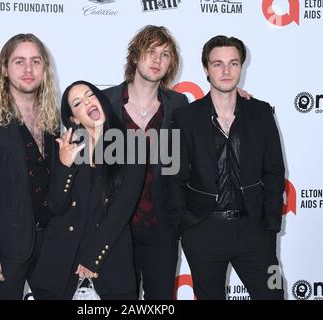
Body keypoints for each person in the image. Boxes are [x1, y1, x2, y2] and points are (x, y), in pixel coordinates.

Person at [103, 25, 252, 300]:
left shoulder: (178, 104)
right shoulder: (107, 101)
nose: (157, 60)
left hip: (162, 225)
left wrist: (235, 99)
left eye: (166, 54)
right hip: (115, 227)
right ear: (135, 57)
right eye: (151, 52)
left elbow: (207, 121)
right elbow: (76, 122)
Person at [169, 35, 285, 300]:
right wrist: (185, 226)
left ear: (242, 67)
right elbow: (172, 175)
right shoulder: (184, 118)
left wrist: (270, 226)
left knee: (273, 294)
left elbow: (274, 171)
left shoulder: (261, 112)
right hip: (203, 232)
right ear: (206, 69)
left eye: (233, 63)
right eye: (218, 64)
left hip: (254, 231)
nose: (226, 71)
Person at [0, 33, 60, 300]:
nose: (28, 69)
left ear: (44, 69)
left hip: (52, 244)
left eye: (35, 61)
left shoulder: (52, 120)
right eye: (19, 62)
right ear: (5, 69)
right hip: (6, 248)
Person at [30, 81, 146, 300]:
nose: (87, 102)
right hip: (61, 265)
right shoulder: (65, 147)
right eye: (78, 103)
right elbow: (55, 206)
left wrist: (93, 258)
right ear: (74, 118)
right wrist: (65, 165)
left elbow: (122, 210)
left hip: (109, 260)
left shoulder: (134, 145)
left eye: (90, 95)